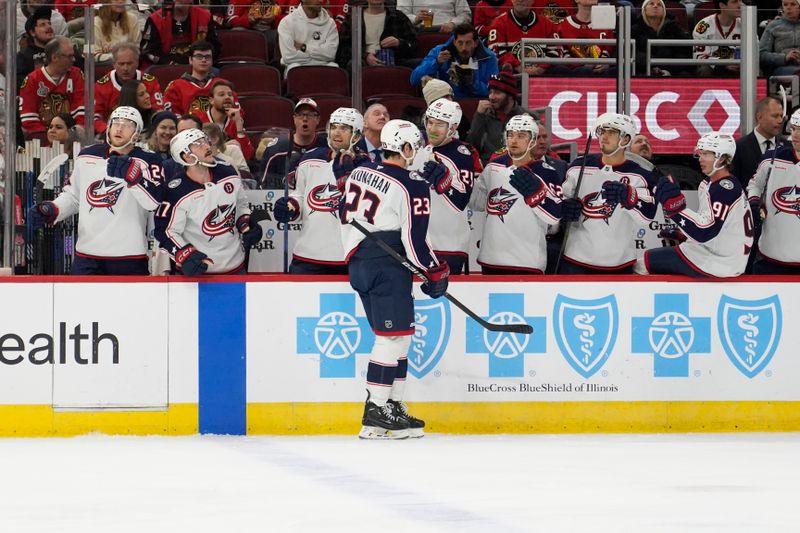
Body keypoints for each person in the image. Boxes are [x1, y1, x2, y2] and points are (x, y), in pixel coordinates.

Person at [340, 119, 450, 439]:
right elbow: (414, 240)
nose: (415, 153)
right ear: (404, 148)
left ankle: (392, 405)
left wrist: (424, 269)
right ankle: (375, 409)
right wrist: (433, 271)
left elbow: (346, 217)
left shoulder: (361, 171)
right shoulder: (412, 185)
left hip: (360, 261)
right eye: (413, 147)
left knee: (400, 336)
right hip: (386, 266)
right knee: (390, 338)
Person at [27, 106, 163, 275]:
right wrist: (53, 209)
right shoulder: (87, 155)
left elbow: (153, 203)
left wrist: (134, 179)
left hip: (129, 256)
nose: (120, 128)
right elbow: (74, 196)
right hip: (87, 256)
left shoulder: (149, 159)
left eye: (128, 124)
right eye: (116, 123)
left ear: (136, 133)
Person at [559, 112, 657, 274]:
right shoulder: (578, 166)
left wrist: (629, 198)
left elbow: (647, 217)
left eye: (611, 132)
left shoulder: (641, 175)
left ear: (625, 139)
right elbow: (558, 204)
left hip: (620, 262)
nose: (604, 137)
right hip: (575, 259)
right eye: (602, 132)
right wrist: (563, 209)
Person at [154, 129, 262, 275]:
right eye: (198, 144)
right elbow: (167, 232)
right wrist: (185, 255)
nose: (207, 146)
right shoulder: (175, 191)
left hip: (236, 269)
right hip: (197, 271)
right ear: (186, 156)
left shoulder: (228, 171)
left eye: (205, 141)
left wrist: (245, 222)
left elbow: (241, 204)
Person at [645, 133, 752, 278]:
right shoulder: (711, 183)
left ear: (722, 158)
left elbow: (705, 232)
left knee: (644, 262)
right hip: (719, 255)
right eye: (700, 154)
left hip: (720, 262)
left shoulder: (724, 188)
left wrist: (675, 209)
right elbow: (714, 227)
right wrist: (684, 233)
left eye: (706, 154)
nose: (700, 159)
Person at [273, 107, 365, 274]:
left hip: (348, 258)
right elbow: (300, 195)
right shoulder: (310, 158)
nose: (337, 133)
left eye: (344, 128)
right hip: (307, 257)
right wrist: (291, 206)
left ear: (357, 135)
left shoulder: (366, 166)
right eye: (334, 127)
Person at [470, 114, 562, 274]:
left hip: (527, 262)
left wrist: (537, 195)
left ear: (532, 140)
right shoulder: (494, 167)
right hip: (491, 260)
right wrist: (460, 181)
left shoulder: (547, 173)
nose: (513, 140)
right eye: (510, 134)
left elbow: (554, 219)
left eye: (521, 136)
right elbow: (477, 203)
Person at [410, 100, 481, 274]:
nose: (432, 129)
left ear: (453, 127)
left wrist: (445, 182)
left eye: (440, 124)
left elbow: (461, 201)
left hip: (449, 245)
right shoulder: (414, 150)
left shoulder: (462, 155)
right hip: (416, 243)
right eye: (430, 122)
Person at [746, 109, 800, 274]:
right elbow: (755, 184)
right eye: (793, 128)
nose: (796, 134)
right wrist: (754, 202)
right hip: (770, 259)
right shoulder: (771, 158)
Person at [410, 24, 499, 99]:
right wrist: (436, 63)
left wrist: (473, 83)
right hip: (446, 102)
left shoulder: (489, 57)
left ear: (475, 43)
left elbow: (493, 91)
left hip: (476, 103)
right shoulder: (439, 52)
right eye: (460, 43)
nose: (464, 48)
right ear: (454, 42)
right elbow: (414, 79)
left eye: (468, 43)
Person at [19, 36, 85, 137]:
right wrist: (48, 137)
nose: (74, 59)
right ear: (54, 57)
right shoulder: (32, 80)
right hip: (41, 138)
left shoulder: (76, 74)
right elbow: (29, 118)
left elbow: (81, 110)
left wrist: (71, 134)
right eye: (69, 56)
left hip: (71, 137)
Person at [95, 43, 164, 134]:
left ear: (137, 63)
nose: (125, 68)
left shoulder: (150, 82)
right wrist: (109, 132)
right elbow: (94, 118)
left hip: (146, 133)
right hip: (112, 134)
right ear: (114, 64)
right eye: (121, 64)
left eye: (129, 63)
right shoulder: (101, 86)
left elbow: (159, 113)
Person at [259, 98, 328, 189]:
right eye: (300, 115)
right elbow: (263, 186)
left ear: (318, 119)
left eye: (310, 115)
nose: (305, 119)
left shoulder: (326, 147)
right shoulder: (276, 149)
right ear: (294, 119)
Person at [467, 72, 530, 164]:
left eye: (497, 93)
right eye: (490, 92)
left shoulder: (526, 116)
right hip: (489, 167)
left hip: (519, 166)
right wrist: (479, 116)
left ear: (510, 95)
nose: (491, 97)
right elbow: (471, 146)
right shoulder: (483, 116)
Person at [336, 0, 418, 69]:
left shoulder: (398, 16)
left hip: (395, 60)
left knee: (419, 63)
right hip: (362, 62)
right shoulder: (353, 17)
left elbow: (414, 44)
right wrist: (365, 56)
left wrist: (398, 42)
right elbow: (344, 48)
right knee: (355, 63)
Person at [163, 41, 237, 116]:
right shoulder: (175, 86)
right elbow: (171, 117)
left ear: (212, 61)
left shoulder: (223, 85)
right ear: (190, 60)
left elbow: (236, 114)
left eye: (207, 57)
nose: (204, 60)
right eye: (199, 56)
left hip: (218, 127)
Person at [485, 0, 559, 75]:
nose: (520, 0)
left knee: (561, 70)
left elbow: (556, 51)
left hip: (542, 74)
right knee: (500, 70)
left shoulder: (547, 24)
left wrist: (541, 68)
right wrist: (518, 66)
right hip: (512, 74)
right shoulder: (499, 23)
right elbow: (495, 52)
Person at [140, 0, 220, 67]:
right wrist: (169, 63)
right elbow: (147, 52)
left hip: (197, 66)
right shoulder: (156, 19)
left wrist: (199, 61)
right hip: (164, 67)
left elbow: (215, 48)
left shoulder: (205, 17)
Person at [192, 80, 254, 161]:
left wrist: (239, 125)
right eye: (221, 95)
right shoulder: (197, 119)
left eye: (230, 95)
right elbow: (193, 150)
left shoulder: (235, 121)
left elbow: (247, 156)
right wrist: (223, 147)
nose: (227, 97)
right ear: (211, 100)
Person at [732, 96, 784, 190]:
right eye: (775, 116)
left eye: (781, 116)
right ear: (759, 117)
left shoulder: (787, 147)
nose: (780, 121)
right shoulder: (738, 148)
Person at [631, 0, 692, 77]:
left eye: (659, 5)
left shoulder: (674, 28)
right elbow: (631, 53)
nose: (655, 6)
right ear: (644, 9)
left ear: (664, 11)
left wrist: (669, 70)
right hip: (642, 69)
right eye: (651, 4)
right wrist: (652, 66)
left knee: (684, 75)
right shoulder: (635, 29)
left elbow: (685, 52)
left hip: (671, 70)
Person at [554, 0, 614, 76]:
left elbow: (607, 51)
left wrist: (604, 63)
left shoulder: (606, 23)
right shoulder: (562, 25)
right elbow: (563, 54)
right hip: (572, 73)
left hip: (598, 73)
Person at [277, 0, 339, 72]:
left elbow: (330, 55)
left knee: (334, 67)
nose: (321, 0)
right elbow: (289, 57)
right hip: (298, 66)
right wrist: (320, 55)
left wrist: (304, 47)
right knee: (294, 68)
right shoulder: (287, 22)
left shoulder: (330, 23)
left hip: (323, 65)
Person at [693, 0, 741, 77]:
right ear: (722, 5)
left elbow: (754, 53)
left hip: (740, 67)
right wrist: (724, 63)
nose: (740, 5)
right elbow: (699, 56)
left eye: (740, 1)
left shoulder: (746, 24)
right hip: (714, 68)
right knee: (704, 69)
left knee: (756, 69)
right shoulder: (704, 26)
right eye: (734, 2)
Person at [759, 0, 800, 76]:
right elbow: (761, 54)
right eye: (785, 5)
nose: (788, 7)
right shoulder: (773, 26)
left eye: (793, 4)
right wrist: (784, 57)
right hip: (782, 67)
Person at [16, 6, 54, 84]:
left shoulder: (63, 50)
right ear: (32, 32)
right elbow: (20, 83)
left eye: (49, 23)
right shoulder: (24, 56)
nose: (49, 27)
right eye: (43, 25)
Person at [397, 0, 472, 33]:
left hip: (449, 33)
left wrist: (453, 24)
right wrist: (415, 18)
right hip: (419, 32)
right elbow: (401, 15)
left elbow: (465, 14)